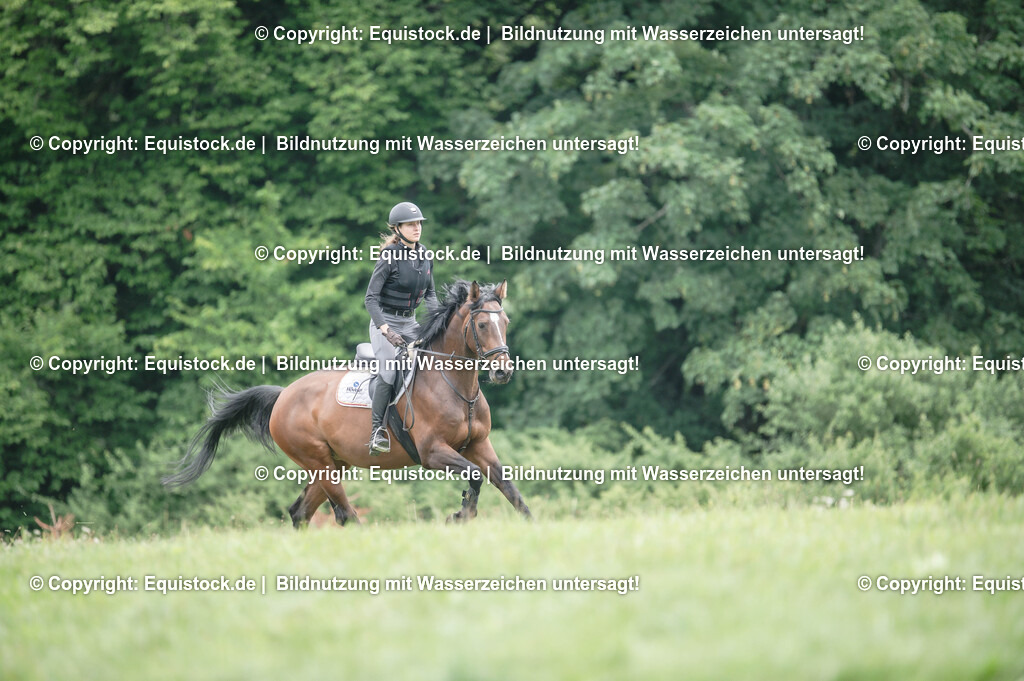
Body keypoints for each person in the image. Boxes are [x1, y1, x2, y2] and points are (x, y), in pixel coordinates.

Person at [364, 201, 439, 453]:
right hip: (384, 323)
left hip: (410, 323)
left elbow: (430, 294)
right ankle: (377, 431)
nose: (417, 228)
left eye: (419, 223)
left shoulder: (425, 254)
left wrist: (438, 321)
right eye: (411, 224)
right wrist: (385, 329)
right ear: (398, 228)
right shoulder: (389, 257)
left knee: (434, 361)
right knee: (388, 371)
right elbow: (370, 299)